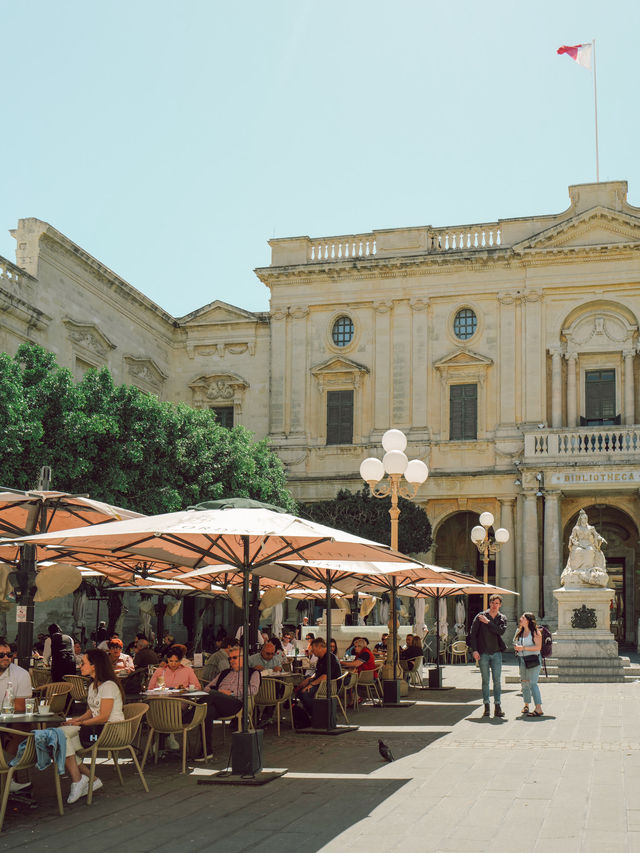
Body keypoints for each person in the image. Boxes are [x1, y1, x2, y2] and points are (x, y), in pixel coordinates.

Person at [62, 649, 125, 803]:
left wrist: (80, 723)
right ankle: (86, 779)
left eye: (83, 663)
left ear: (94, 666)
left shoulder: (108, 686)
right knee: (59, 738)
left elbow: (103, 716)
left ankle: (82, 779)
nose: (80, 666)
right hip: (98, 728)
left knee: (60, 738)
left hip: (112, 731)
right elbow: (92, 710)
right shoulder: (93, 685)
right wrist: (76, 720)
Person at [201, 649, 260, 752]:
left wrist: (232, 692)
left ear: (243, 658)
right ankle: (206, 750)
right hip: (218, 702)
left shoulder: (253, 672)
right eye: (229, 658)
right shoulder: (224, 673)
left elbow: (253, 690)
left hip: (236, 704)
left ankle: (190, 713)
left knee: (210, 698)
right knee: (208, 711)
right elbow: (207, 688)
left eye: (234, 658)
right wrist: (220, 692)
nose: (231, 660)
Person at [0, 638, 33, 791]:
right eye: (1, 655)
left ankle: (7, 779)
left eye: (9, 654)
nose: (6, 657)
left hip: (12, 723)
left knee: (18, 727)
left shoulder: (21, 674)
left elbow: (20, 706)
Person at [469, 594, 508, 718]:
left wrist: (488, 623)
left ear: (500, 605)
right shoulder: (480, 616)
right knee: (485, 681)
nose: (494, 605)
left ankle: (498, 706)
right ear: (489, 603)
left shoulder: (502, 618)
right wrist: (474, 650)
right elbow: (472, 634)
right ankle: (486, 707)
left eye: (497, 603)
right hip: (483, 653)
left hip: (496, 653)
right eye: (492, 603)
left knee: (497, 681)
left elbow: (500, 631)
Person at [297, 638, 342, 716]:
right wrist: (309, 679)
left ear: (320, 647)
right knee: (299, 690)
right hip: (322, 683)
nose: (312, 651)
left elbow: (325, 676)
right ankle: (313, 713)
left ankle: (318, 715)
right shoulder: (321, 658)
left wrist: (311, 684)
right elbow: (317, 673)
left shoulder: (330, 658)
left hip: (330, 686)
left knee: (305, 694)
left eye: (313, 649)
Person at [513, 612, 544, 717]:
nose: (520, 619)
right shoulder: (519, 631)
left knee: (533, 683)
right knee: (524, 683)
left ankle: (538, 708)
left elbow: (538, 647)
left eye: (523, 617)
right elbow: (515, 643)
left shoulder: (535, 632)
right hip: (522, 659)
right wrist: (516, 647)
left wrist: (524, 648)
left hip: (533, 660)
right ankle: (526, 705)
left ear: (528, 620)